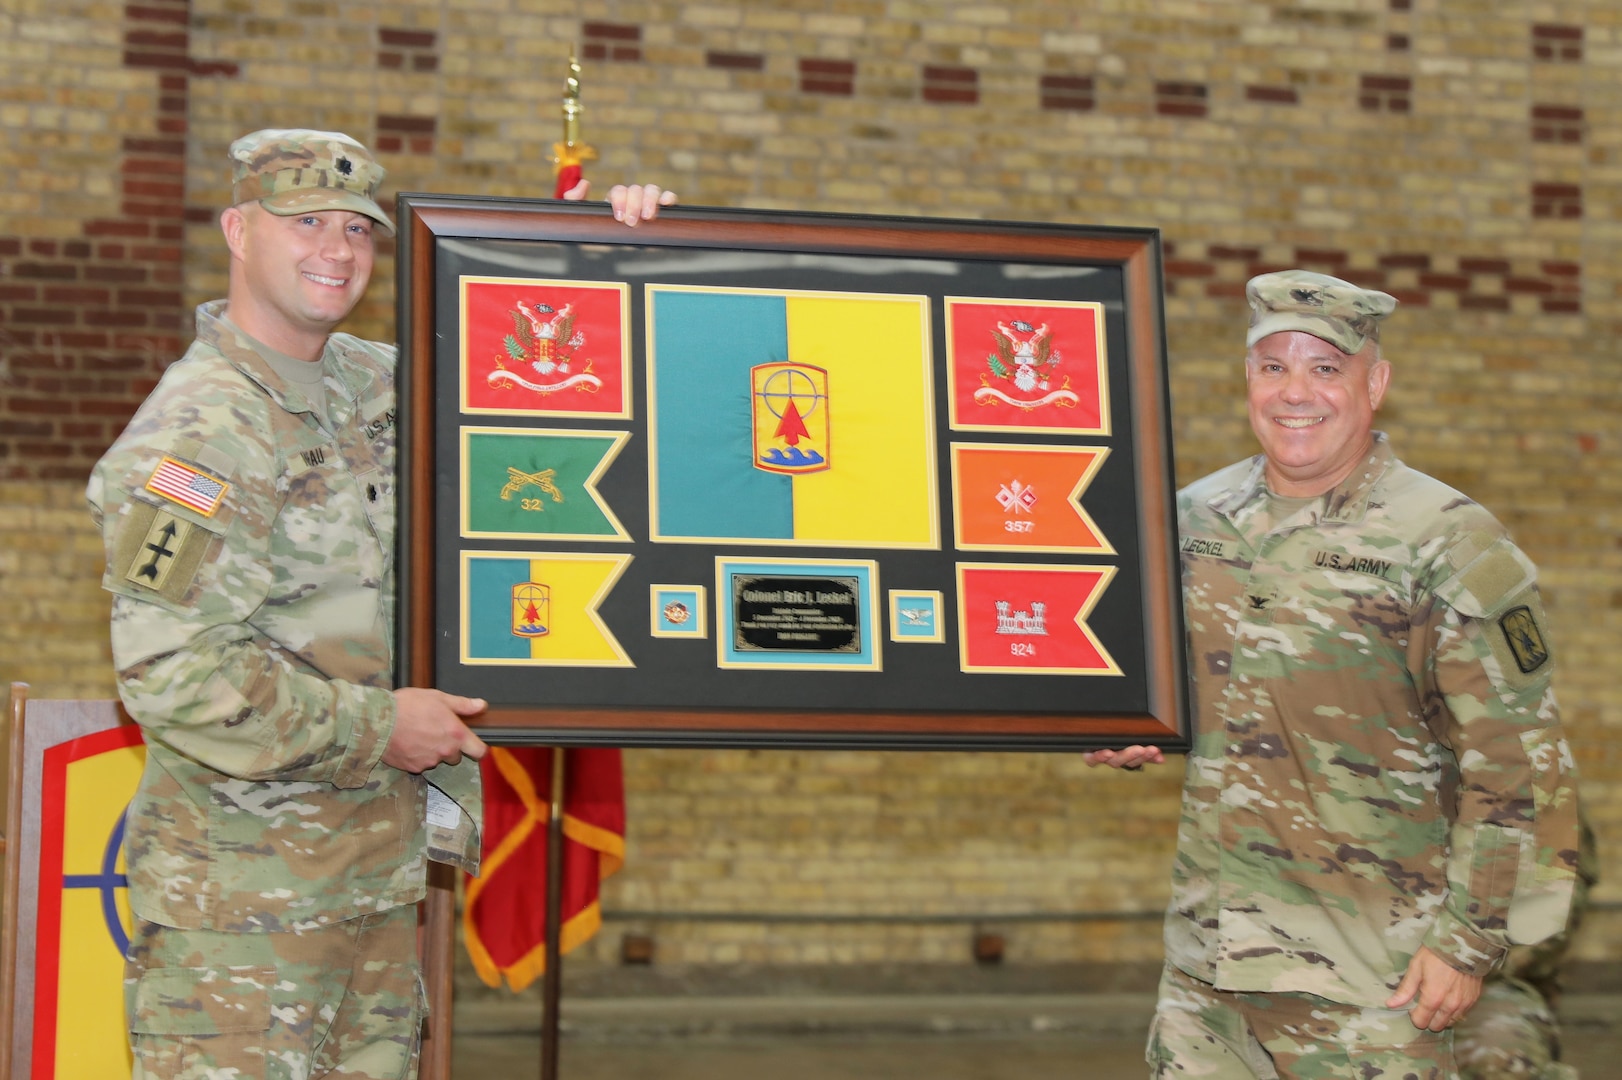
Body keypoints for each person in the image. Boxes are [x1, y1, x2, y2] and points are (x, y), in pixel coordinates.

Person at [86, 128, 672, 1079]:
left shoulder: (381, 385)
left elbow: (556, 381)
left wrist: (606, 252)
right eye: (306, 221)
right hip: (243, 917)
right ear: (239, 230)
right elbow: (174, 672)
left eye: (359, 228)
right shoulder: (199, 430)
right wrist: (379, 731)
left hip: (375, 895)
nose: (338, 249)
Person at [1087, 269, 1582, 1078]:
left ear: (1374, 383)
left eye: (1326, 367)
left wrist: (1467, 943)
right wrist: (1119, 721)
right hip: (1207, 969)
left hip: (1372, 980)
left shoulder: (1445, 539)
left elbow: (1519, 762)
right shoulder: (1189, 519)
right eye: (1273, 365)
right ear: (1247, 378)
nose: (1295, 392)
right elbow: (1189, 688)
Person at [1455, 810, 1597, 1080]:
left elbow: (1560, 901)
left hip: (1489, 981)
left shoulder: (1534, 774)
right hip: (1373, 982)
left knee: (1503, 1059)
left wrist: (1472, 965)